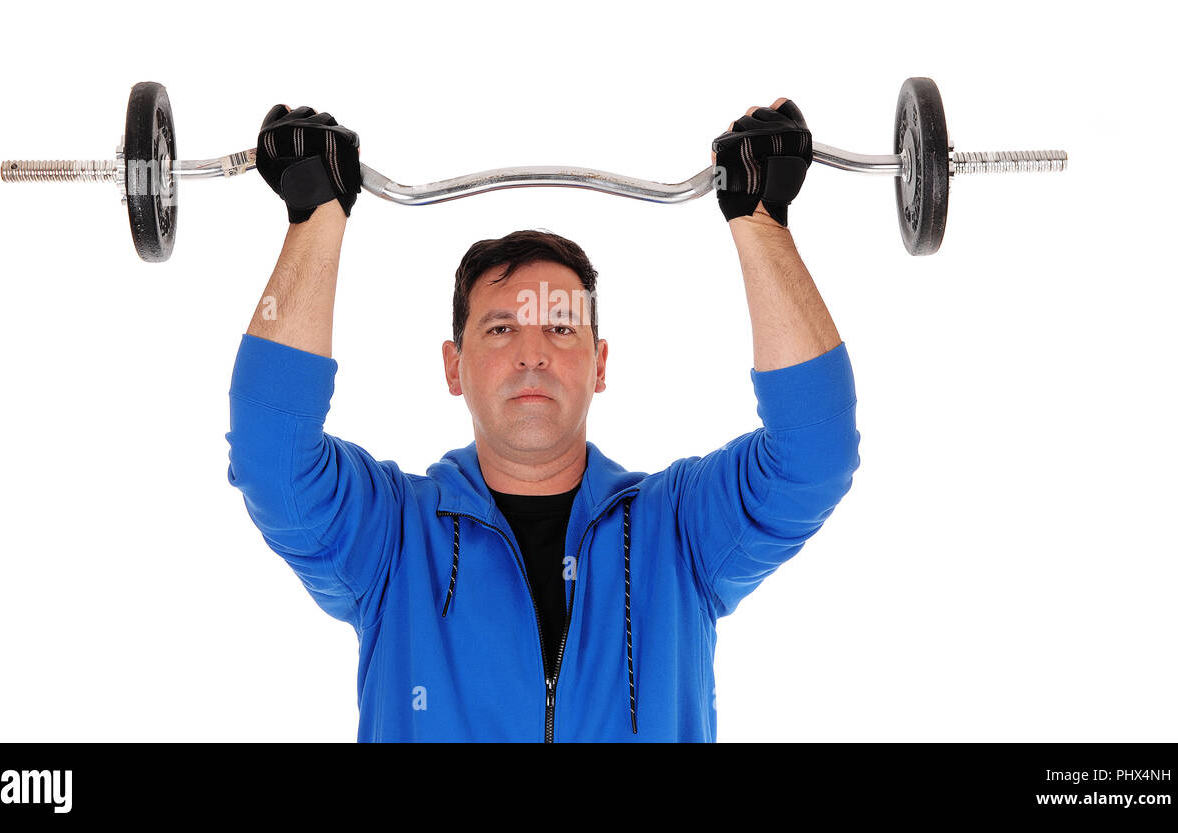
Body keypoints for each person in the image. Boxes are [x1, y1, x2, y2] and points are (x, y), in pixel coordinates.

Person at [225, 98, 861, 742]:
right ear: (455, 366)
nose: (532, 354)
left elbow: (813, 455)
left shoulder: (679, 531)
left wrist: (761, 221)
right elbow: (272, 458)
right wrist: (316, 214)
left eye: (560, 327)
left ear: (599, 364)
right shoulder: (390, 538)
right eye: (502, 329)